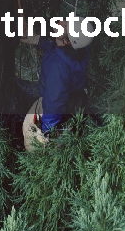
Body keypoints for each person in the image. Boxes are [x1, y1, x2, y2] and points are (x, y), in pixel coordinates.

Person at [21, 13, 91, 151]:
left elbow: (54, 102)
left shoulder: (58, 68)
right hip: (75, 101)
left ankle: (37, 159)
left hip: (57, 107)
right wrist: (40, 41)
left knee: (29, 133)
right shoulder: (80, 48)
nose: (60, 21)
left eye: (65, 26)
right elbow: (60, 49)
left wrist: (48, 131)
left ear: (67, 41)